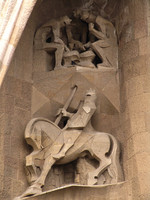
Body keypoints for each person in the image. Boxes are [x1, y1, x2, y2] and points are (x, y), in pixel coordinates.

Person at [53, 89, 97, 160]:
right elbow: (77, 115)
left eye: (89, 96)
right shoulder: (83, 105)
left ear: (93, 97)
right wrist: (66, 113)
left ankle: (62, 153)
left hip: (82, 128)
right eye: (87, 95)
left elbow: (83, 121)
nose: (87, 98)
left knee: (71, 136)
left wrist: (70, 124)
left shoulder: (90, 107)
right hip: (75, 125)